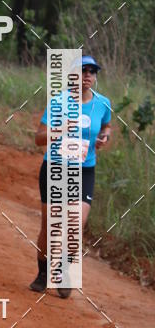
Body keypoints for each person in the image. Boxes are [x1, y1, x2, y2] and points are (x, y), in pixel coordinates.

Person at [30, 55, 112, 298]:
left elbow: (107, 125)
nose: (87, 75)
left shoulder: (103, 104)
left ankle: (64, 269)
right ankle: (43, 273)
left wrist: (104, 137)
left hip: (84, 169)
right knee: (50, 227)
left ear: (95, 77)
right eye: (83, 71)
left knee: (76, 224)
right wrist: (61, 129)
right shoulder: (58, 102)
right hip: (55, 168)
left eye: (92, 71)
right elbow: (38, 138)